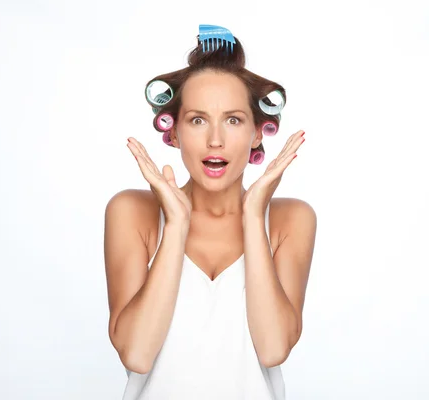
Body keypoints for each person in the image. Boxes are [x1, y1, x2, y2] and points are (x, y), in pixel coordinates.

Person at [103, 25, 317, 399]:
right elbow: (136, 354)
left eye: (233, 120)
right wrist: (176, 225)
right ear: (174, 133)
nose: (215, 139)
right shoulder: (131, 212)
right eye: (197, 120)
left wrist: (254, 215)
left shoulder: (291, 220)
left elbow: (273, 349)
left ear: (256, 133)